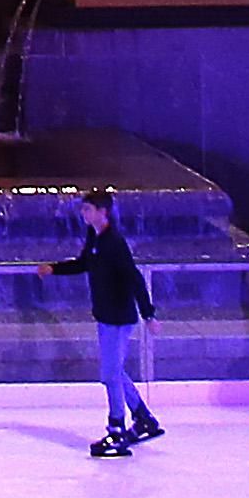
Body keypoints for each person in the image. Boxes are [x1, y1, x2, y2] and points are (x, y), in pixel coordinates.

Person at [57, 185, 159, 453]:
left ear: (103, 212)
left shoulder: (114, 242)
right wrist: (54, 269)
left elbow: (134, 277)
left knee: (109, 374)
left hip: (118, 318)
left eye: (88, 209)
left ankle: (117, 431)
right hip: (105, 316)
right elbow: (83, 264)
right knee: (115, 370)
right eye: (83, 209)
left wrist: (148, 313)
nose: (83, 213)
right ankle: (143, 418)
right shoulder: (95, 237)